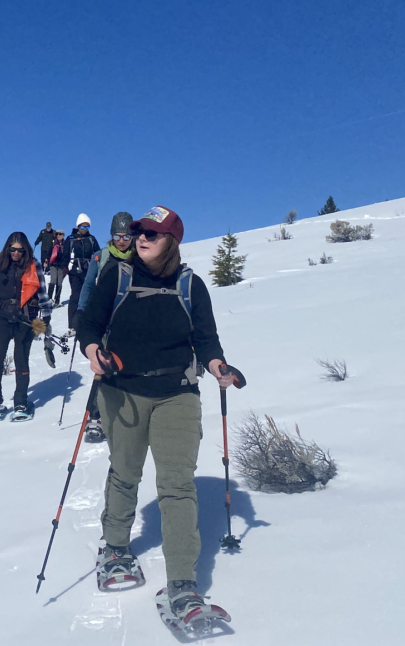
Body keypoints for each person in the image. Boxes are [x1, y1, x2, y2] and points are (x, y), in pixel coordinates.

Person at [76, 206, 237, 623]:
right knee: (125, 471)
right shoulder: (118, 275)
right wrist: (94, 353)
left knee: (177, 485)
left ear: (172, 241)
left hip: (177, 393)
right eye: (138, 231)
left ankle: (183, 583)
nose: (140, 237)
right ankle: (114, 547)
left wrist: (219, 367)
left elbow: (206, 339)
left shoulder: (191, 285)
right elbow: (89, 326)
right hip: (122, 391)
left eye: (152, 233)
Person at [0, 232, 53, 421]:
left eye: (20, 250)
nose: (16, 253)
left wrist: (46, 316)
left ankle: (21, 402)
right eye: (13, 249)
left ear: (25, 250)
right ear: (7, 248)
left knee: (21, 360)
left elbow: (42, 291)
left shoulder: (33, 265)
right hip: (1, 317)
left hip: (25, 319)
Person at [75, 211, 134, 443]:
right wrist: (81, 312)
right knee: (103, 367)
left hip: (130, 321)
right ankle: (95, 417)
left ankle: (126, 413)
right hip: (105, 321)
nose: (122, 240)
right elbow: (88, 287)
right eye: (118, 235)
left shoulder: (138, 258)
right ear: (111, 235)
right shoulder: (101, 257)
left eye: (127, 236)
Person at [64, 214, 99, 333]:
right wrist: (64, 267)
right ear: (78, 226)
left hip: (89, 271)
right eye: (83, 227)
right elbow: (65, 254)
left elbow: (98, 254)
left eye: (87, 227)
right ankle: (73, 325)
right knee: (75, 296)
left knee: (89, 295)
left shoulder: (92, 239)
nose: (85, 230)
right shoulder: (71, 238)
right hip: (75, 271)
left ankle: (89, 322)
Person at [46, 229, 67, 305]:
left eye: (60, 234)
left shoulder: (66, 244)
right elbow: (48, 253)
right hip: (53, 265)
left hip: (61, 266)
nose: (58, 235)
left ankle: (57, 300)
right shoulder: (53, 243)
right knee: (53, 281)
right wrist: (47, 261)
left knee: (59, 283)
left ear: (63, 235)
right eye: (57, 234)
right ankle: (49, 298)